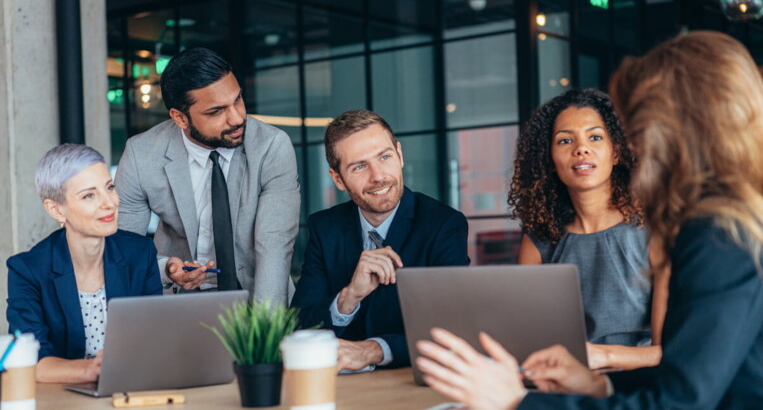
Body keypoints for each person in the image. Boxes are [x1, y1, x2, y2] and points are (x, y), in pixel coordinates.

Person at [415, 30, 763, 409]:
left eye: (641, 125)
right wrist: (599, 386)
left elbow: (679, 402)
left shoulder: (721, 236)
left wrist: (516, 403)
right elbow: (694, 373)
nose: (636, 145)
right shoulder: (732, 223)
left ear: (685, 128)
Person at [115, 47, 300, 303]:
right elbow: (124, 250)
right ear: (180, 118)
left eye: (238, 100)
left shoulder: (271, 146)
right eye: (216, 111)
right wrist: (166, 269)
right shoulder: (142, 154)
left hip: (257, 295)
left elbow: (274, 248)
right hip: (177, 302)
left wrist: (264, 334)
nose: (237, 118)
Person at [291, 110, 469, 371]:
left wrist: (373, 350)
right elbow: (299, 326)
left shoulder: (443, 225)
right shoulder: (324, 227)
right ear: (337, 179)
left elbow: (451, 331)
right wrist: (349, 297)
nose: (378, 176)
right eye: (359, 166)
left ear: (400, 154)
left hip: (412, 385)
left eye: (384, 157)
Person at [508, 88, 667, 370]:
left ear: (616, 152)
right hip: (565, 382)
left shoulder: (654, 230)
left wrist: (602, 356)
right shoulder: (539, 239)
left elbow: (668, 352)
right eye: (565, 140)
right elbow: (528, 337)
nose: (580, 148)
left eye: (595, 137)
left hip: (639, 386)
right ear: (550, 160)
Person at [6, 144, 162, 383]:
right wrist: (90, 369)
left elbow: (154, 338)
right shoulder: (27, 270)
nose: (109, 203)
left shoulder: (140, 253)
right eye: (89, 195)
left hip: (133, 387)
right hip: (63, 398)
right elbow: (31, 360)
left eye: (109, 188)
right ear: (56, 209)